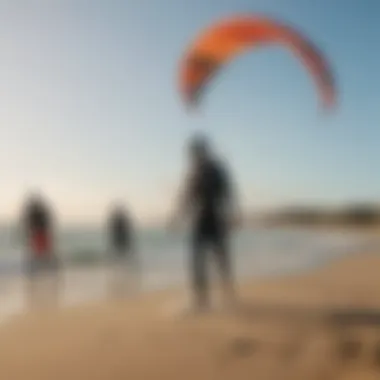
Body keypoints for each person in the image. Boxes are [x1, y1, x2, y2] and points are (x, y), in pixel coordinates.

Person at [169, 135, 241, 312]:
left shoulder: (217, 170)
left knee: (221, 259)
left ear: (203, 152)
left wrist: (233, 214)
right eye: (192, 154)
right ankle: (201, 299)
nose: (193, 157)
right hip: (200, 220)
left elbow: (228, 193)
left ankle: (227, 292)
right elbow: (185, 197)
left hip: (216, 219)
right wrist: (176, 216)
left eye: (195, 153)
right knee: (197, 260)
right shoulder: (193, 172)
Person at [20, 192, 60, 309]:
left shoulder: (34, 211)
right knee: (42, 255)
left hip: (39, 233)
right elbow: (31, 222)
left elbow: (28, 223)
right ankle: (42, 273)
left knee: (40, 255)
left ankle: (38, 274)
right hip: (39, 233)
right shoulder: (38, 211)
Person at [107, 204, 139, 297]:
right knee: (123, 260)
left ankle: (121, 277)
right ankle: (123, 276)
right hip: (121, 242)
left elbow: (114, 233)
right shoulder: (121, 220)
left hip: (120, 242)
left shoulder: (117, 220)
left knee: (120, 260)